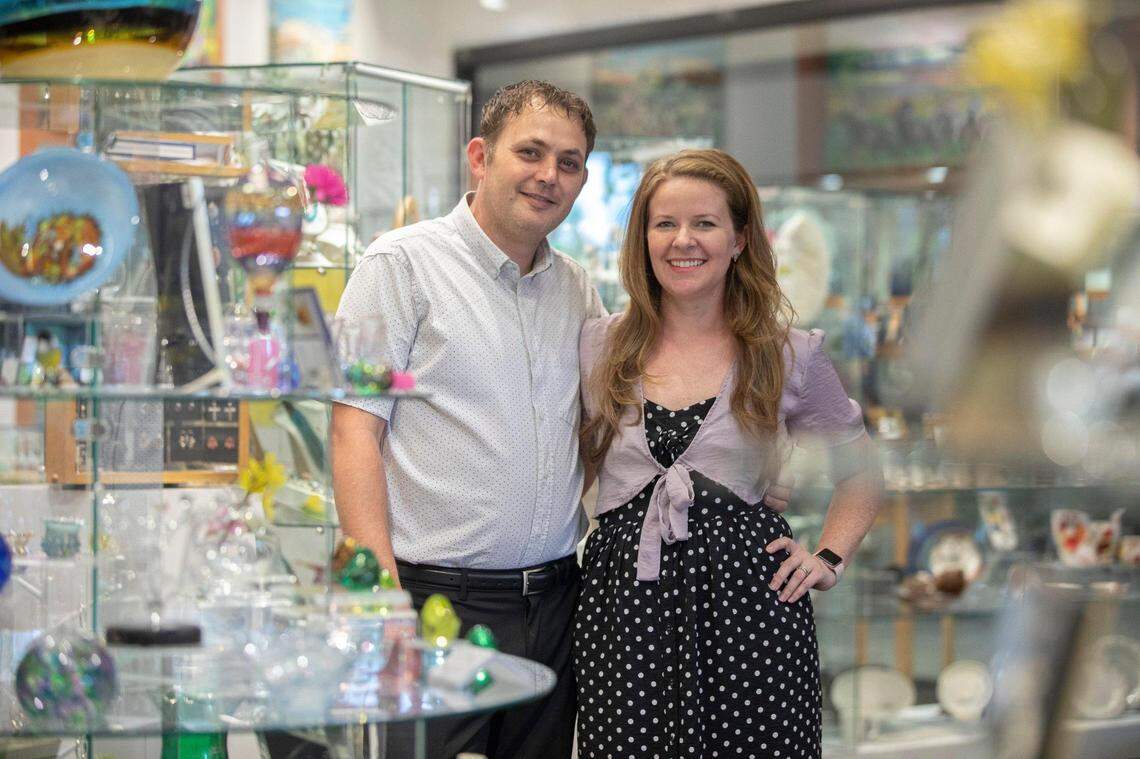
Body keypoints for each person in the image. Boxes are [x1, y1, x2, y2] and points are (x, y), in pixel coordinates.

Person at [575, 149, 884, 758]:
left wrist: (828, 556)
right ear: (642, 238)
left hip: (751, 613)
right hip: (622, 612)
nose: (682, 241)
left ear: (741, 238)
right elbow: (576, 465)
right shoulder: (597, 346)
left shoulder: (788, 353)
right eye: (664, 224)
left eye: (705, 224)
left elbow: (862, 473)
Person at [330, 80, 600, 759]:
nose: (548, 175)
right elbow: (354, 425)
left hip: (556, 603)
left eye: (568, 162)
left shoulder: (578, 288)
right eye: (530, 152)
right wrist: (380, 591)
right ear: (480, 157)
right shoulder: (397, 264)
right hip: (432, 604)